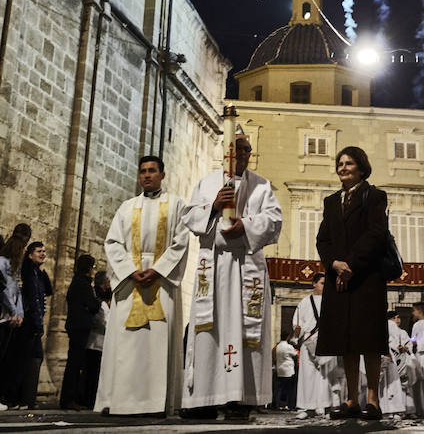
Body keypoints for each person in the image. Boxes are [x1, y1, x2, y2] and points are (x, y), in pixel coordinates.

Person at [181, 133, 282, 421]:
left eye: (248, 150)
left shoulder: (262, 186)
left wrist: (246, 226)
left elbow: (274, 220)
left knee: (244, 332)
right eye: (239, 149)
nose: (244, 154)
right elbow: (189, 216)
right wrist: (213, 206)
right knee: (209, 330)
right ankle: (203, 399)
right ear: (227, 152)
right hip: (214, 265)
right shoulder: (208, 182)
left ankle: (241, 399)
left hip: (247, 265)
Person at [95, 155, 189, 416]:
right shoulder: (127, 207)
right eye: (143, 172)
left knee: (156, 346)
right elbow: (112, 242)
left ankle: (157, 403)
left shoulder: (177, 205)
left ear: (162, 175)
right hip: (130, 281)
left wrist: (158, 270)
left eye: (152, 171)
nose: (147, 175)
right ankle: (119, 401)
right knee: (126, 344)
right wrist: (129, 270)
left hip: (162, 282)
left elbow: (181, 241)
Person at [316, 145, 388, 421]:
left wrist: (351, 264)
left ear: (361, 167)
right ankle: (350, 399)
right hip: (338, 276)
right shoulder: (331, 201)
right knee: (346, 339)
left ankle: (372, 399)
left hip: (366, 276)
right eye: (340, 164)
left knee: (368, 339)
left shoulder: (375, 196)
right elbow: (322, 239)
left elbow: (376, 233)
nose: (343, 168)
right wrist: (334, 263)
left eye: (349, 163)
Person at [293, 272, 337, 417]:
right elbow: (297, 322)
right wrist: (297, 332)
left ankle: (325, 406)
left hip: (327, 341)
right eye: (322, 283)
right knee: (308, 375)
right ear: (314, 283)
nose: (325, 287)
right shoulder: (304, 302)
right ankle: (307, 407)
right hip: (308, 341)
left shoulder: (332, 301)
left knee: (326, 375)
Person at [60, 254, 100, 410]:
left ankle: (70, 398)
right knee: (74, 364)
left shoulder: (77, 282)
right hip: (79, 327)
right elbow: (93, 305)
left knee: (75, 363)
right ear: (88, 268)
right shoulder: (82, 284)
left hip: (76, 326)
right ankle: (68, 399)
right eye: (93, 267)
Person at [17, 242, 53, 409]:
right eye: (39, 251)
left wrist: (42, 270)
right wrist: (38, 323)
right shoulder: (29, 272)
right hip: (30, 323)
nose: (43, 254)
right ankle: (22, 399)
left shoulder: (37, 273)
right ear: (30, 255)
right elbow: (33, 298)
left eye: (44, 251)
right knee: (26, 359)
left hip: (35, 323)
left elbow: (48, 290)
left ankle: (27, 399)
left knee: (35, 357)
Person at [0, 233, 26, 408]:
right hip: (3, 315)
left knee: (3, 358)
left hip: (11, 317)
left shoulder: (16, 267)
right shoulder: (2, 262)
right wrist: (14, 311)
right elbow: (3, 290)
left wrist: (20, 313)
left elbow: (18, 291)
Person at [84, 271, 111, 409]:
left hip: (97, 342)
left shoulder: (102, 301)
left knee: (92, 373)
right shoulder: (100, 303)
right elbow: (103, 322)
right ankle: (89, 401)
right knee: (92, 375)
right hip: (96, 343)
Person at [274, 334, 297, 409]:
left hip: (280, 369)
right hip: (288, 370)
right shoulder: (288, 346)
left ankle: (276, 405)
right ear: (288, 337)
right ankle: (291, 405)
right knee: (290, 389)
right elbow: (295, 354)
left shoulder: (277, 346)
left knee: (279, 389)